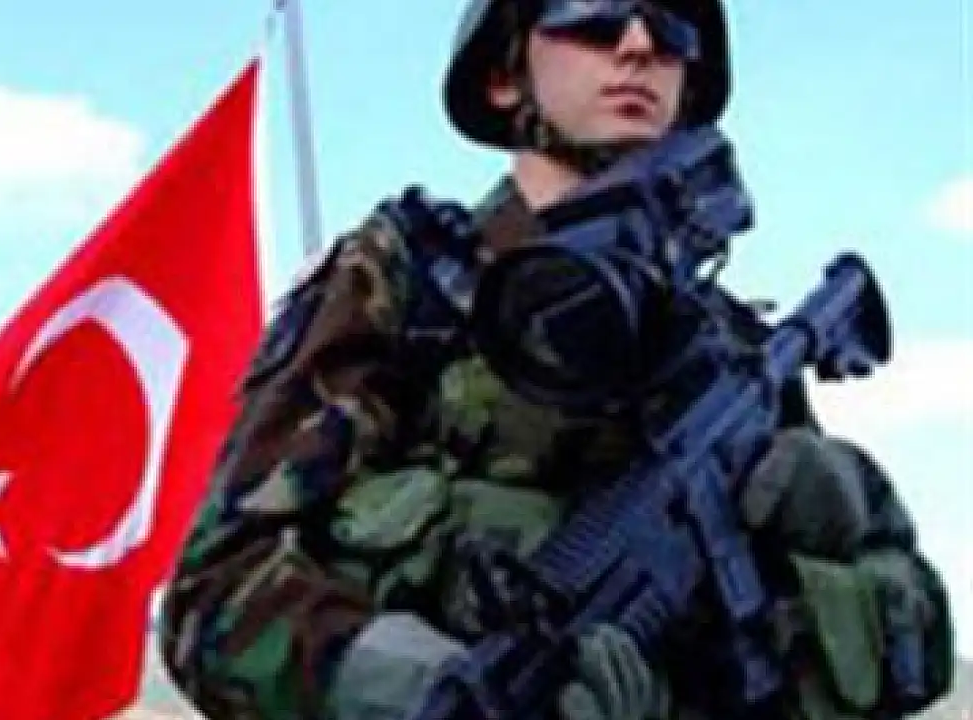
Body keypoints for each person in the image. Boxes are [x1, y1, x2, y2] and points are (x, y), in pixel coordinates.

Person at [157, 1, 956, 718]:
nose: (638, 44)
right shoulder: (413, 281)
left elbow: (915, 653)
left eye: (671, 25)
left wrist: (833, 523)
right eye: (593, 15)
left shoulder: (727, 351)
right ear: (505, 76)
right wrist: (431, 692)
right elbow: (216, 596)